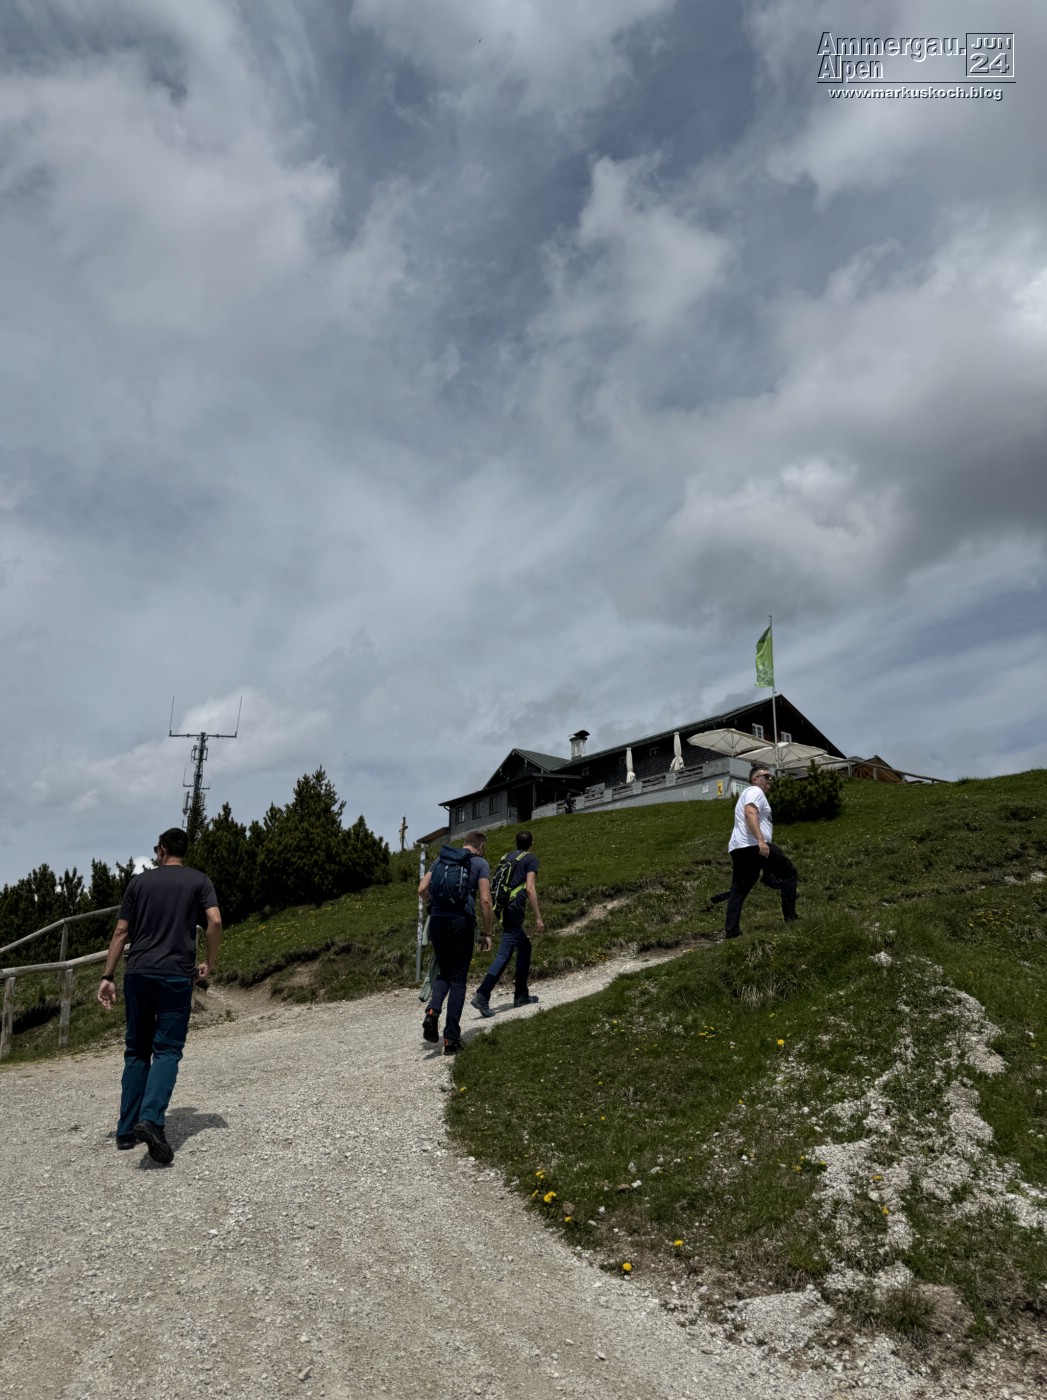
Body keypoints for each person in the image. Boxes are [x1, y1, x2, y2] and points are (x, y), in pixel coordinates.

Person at [96, 827, 222, 1164]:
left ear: (163, 850)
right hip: (175, 975)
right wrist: (209, 963)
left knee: (137, 1050)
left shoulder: (138, 883)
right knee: (166, 1049)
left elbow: (121, 931)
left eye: (156, 849)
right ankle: (151, 1119)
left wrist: (108, 977)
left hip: (138, 973)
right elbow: (214, 921)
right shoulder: (200, 881)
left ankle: (126, 1131)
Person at [419, 831, 492, 1055]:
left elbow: (422, 889)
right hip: (461, 922)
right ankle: (451, 1040)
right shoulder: (480, 863)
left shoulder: (441, 859)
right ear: (481, 846)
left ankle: (432, 1012)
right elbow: (485, 900)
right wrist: (487, 932)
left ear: (464, 843)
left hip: (437, 921)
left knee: (444, 972)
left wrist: (432, 908)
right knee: (458, 979)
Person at [470, 829, 544, 1018]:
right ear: (531, 843)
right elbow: (530, 888)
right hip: (514, 909)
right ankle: (482, 994)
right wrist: (538, 917)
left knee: (524, 947)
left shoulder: (507, 857)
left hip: (502, 907)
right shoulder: (530, 859)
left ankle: (521, 994)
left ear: (516, 843)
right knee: (504, 953)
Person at [722, 765, 798, 939]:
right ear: (755, 779)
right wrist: (760, 840)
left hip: (739, 848)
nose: (770, 779)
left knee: (740, 889)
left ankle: (732, 931)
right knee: (790, 873)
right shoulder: (755, 791)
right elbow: (750, 813)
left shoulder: (751, 793)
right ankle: (791, 918)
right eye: (766, 776)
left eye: (770, 776)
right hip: (753, 845)